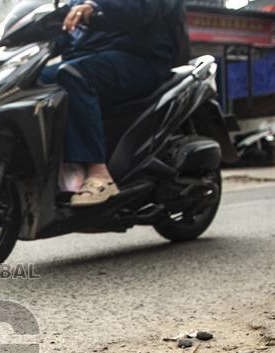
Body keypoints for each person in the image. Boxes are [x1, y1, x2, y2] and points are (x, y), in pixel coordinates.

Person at [40, 0, 186, 206]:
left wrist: (98, 8)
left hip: (140, 59)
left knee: (73, 74)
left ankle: (98, 173)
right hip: (90, 60)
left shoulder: (94, 5)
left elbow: (146, 8)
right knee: (35, 80)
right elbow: (63, 29)